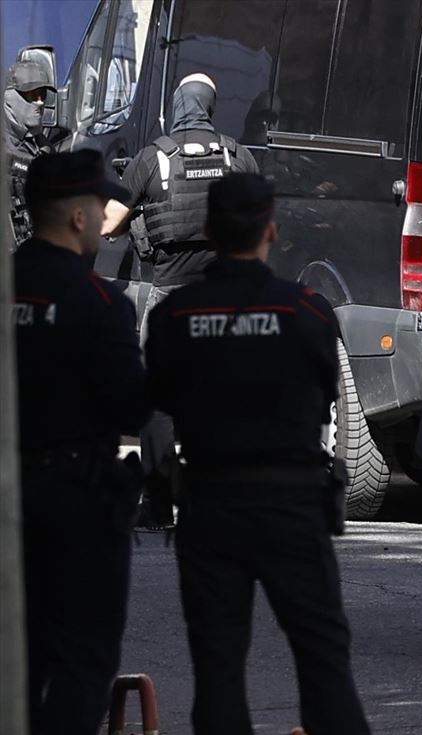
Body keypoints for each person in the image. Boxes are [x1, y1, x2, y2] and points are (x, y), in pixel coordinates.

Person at [144, 174, 386, 735]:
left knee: (219, 666)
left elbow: (158, 401)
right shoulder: (305, 310)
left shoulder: (175, 315)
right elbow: (323, 389)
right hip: (292, 506)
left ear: (208, 234)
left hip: (212, 506)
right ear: (271, 231)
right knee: (323, 661)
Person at [15, 150, 147, 735]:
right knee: (81, 651)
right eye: (98, 205)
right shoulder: (98, 302)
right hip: (75, 500)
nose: (105, 215)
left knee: (19, 643)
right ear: (75, 216)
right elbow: (130, 404)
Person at [102, 73, 260, 531]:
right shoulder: (238, 157)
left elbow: (109, 225)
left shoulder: (154, 157)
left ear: (176, 105)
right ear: (210, 107)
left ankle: (158, 507)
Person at [5, 57, 55, 247]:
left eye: (43, 95)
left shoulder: (43, 147)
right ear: (11, 97)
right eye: (32, 95)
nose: (40, 102)